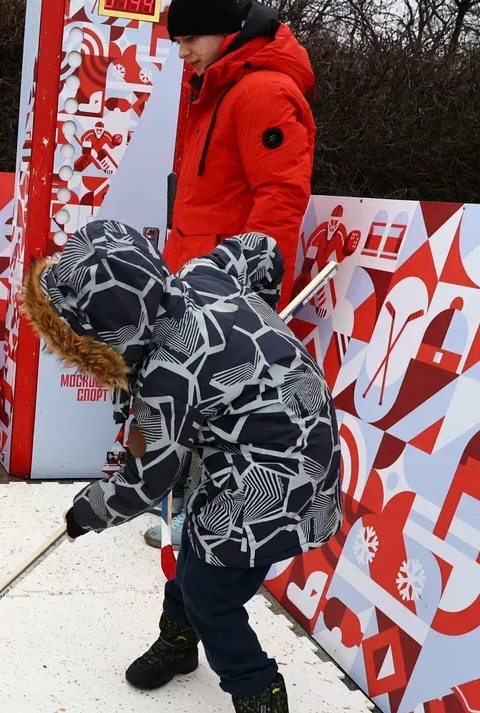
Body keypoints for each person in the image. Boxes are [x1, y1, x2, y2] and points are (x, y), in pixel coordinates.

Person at [21, 219, 341, 713]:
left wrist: (88, 510)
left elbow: (146, 478)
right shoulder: (202, 274)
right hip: (287, 441)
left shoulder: (168, 373)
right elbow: (258, 250)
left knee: (212, 594)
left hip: (277, 483)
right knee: (197, 549)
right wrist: (259, 324)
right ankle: (178, 642)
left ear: (108, 333)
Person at [145, 0, 318, 550]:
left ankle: (205, 529)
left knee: (212, 411)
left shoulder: (262, 92)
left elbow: (280, 196)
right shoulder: (217, 90)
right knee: (189, 405)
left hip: (226, 292)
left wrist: (254, 295)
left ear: (224, 31)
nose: (182, 51)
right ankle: (184, 515)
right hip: (195, 278)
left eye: (190, 37)